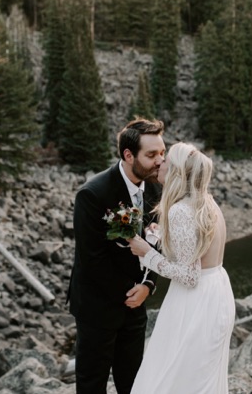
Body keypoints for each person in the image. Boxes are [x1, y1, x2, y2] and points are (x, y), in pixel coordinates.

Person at [126, 143, 234, 394]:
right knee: (199, 375)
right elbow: (199, 250)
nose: (159, 163)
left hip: (194, 302)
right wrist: (164, 238)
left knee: (174, 373)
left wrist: (148, 254)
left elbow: (189, 275)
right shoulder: (207, 202)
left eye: (165, 160)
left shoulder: (180, 210)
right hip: (217, 291)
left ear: (176, 171)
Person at [68, 119, 165, 394]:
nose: (159, 161)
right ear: (128, 155)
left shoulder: (157, 189)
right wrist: (129, 292)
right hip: (97, 307)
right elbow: (92, 259)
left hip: (136, 307)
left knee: (134, 383)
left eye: (162, 153)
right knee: (91, 384)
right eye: (151, 155)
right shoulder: (93, 194)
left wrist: (148, 286)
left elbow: (160, 245)